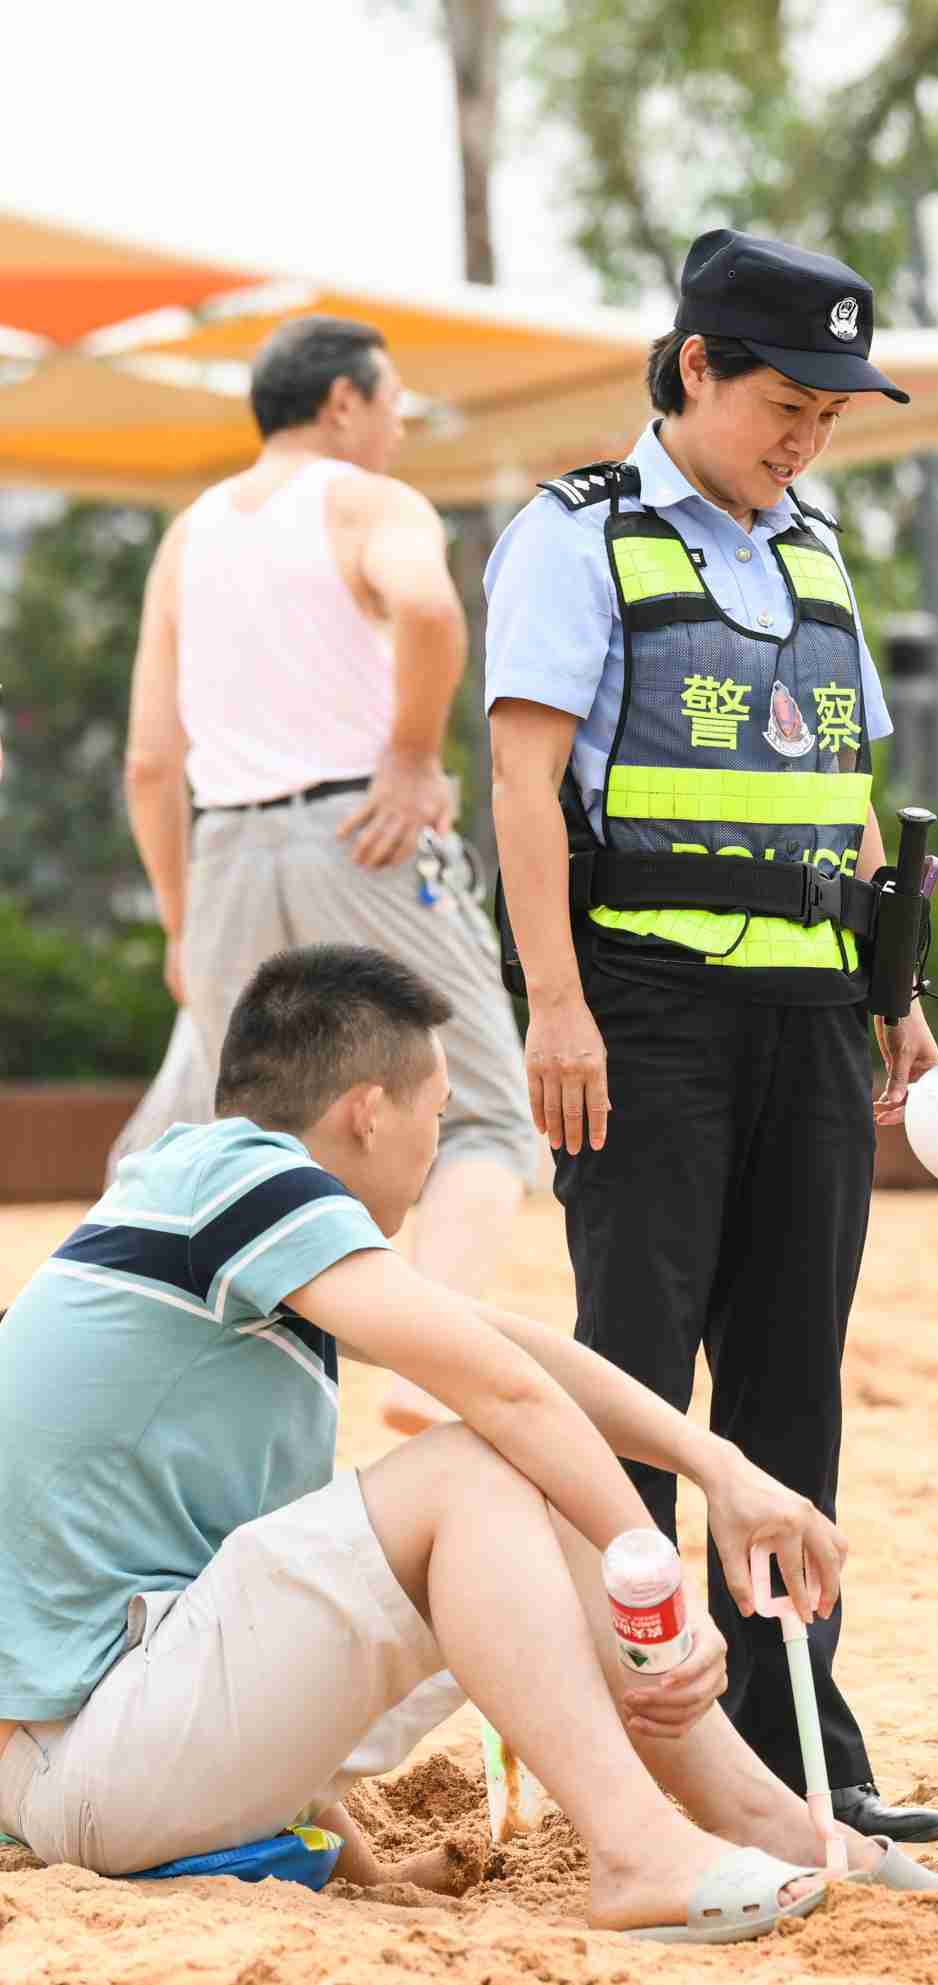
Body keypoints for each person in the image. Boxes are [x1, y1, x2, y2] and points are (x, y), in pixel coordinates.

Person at [0, 945, 938, 1940]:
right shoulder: (246, 1179)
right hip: (83, 1762)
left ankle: (766, 1818)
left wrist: (719, 1465)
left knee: (523, 1480)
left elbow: (510, 1345)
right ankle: (634, 1849)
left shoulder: (219, 1215)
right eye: (439, 1114)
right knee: (474, 1465)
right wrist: (658, 1590)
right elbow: (502, 1391)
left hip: (112, 1748)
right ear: (369, 1109)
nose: (438, 1143)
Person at [484, 227, 938, 1846]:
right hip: (646, 1017)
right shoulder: (573, 538)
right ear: (691, 368)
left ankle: (794, 1725)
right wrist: (555, 1002)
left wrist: (897, 997)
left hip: (814, 1018)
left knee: (786, 1384)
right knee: (633, 1375)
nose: (809, 430)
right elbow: (522, 785)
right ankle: (631, 1738)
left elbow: (853, 801)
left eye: (832, 404)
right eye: (784, 397)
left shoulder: (813, 545)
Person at [120, 314, 537, 1437]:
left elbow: (153, 760)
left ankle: (140, 1358)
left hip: (223, 854)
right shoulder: (364, 498)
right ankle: (426, 1362)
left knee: (212, 1129)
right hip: (365, 839)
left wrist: (178, 917)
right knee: (490, 1121)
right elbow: (434, 608)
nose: (399, 423)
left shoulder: (190, 535)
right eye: (393, 400)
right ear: (344, 401)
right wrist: (410, 757)